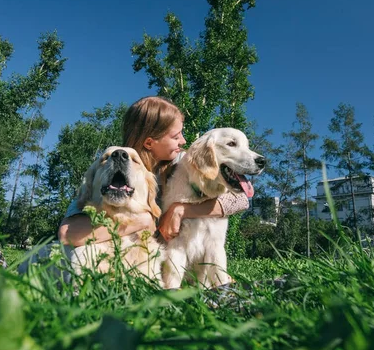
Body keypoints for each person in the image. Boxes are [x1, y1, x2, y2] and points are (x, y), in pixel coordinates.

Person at [58, 96, 250, 247]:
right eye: (176, 136)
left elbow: (240, 200)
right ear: (150, 142)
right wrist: (142, 221)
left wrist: (180, 210)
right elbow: (68, 233)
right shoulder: (109, 167)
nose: (183, 141)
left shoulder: (182, 162)